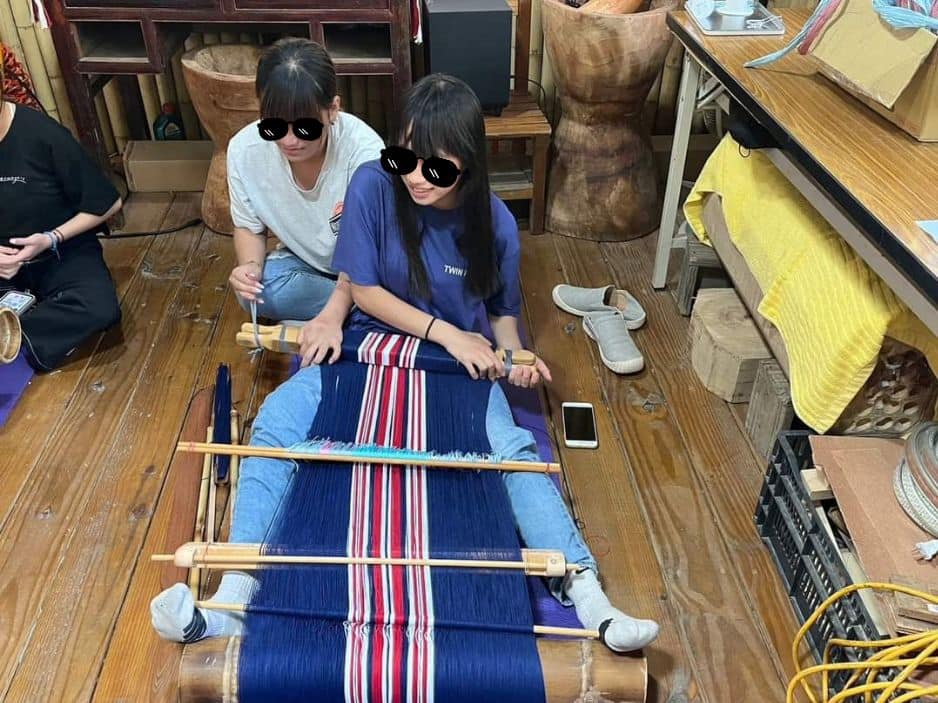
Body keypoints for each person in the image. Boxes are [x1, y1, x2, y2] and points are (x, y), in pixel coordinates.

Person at [151, 74, 659, 654]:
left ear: (469, 163)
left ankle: (589, 596)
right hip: (369, 345)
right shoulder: (374, 183)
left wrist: (513, 357)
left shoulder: (494, 222)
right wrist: (448, 334)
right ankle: (233, 598)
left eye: (436, 167)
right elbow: (362, 290)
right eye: (407, 158)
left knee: (512, 452)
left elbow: (502, 315)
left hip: (452, 365)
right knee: (274, 424)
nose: (416, 176)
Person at [226, 37, 385, 366]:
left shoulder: (365, 154)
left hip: (367, 269)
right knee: (254, 293)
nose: (289, 140)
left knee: (376, 289)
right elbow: (248, 227)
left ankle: (365, 309)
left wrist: (332, 315)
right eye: (274, 126)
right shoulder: (244, 150)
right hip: (309, 266)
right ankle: (377, 314)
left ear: (333, 109)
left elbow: (367, 251)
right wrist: (250, 267)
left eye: (305, 127)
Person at [0, 74, 122, 371]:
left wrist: (50, 238)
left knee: (98, 307)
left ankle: (14, 334)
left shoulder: (41, 134)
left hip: (58, 248)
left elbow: (108, 202)